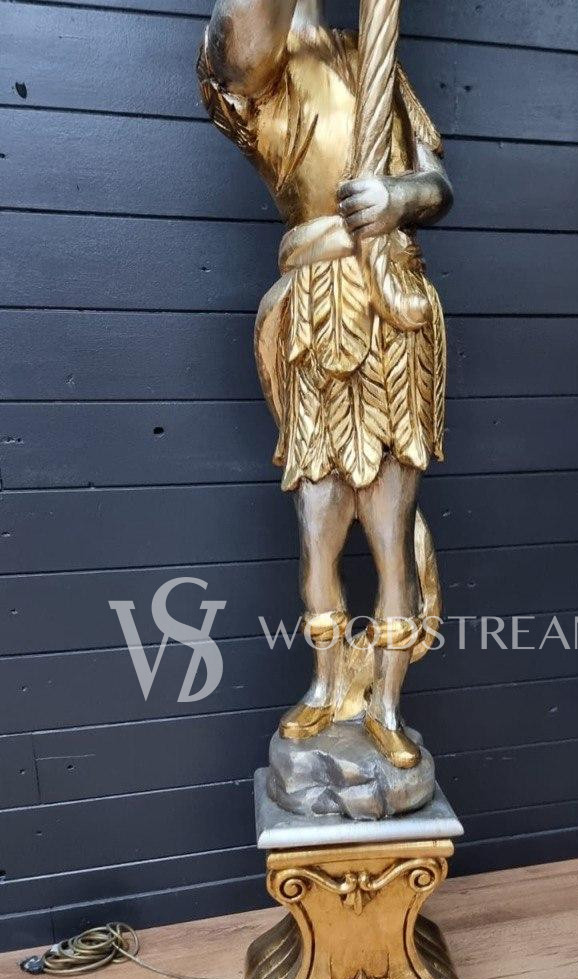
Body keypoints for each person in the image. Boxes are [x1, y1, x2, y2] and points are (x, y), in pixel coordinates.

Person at [198, 0, 452, 768]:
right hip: (316, 313)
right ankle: (326, 684)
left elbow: (436, 182)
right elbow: (243, 43)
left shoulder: (376, 63)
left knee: (389, 532)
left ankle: (387, 705)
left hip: (391, 307)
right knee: (318, 526)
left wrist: (399, 198)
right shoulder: (264, 75)